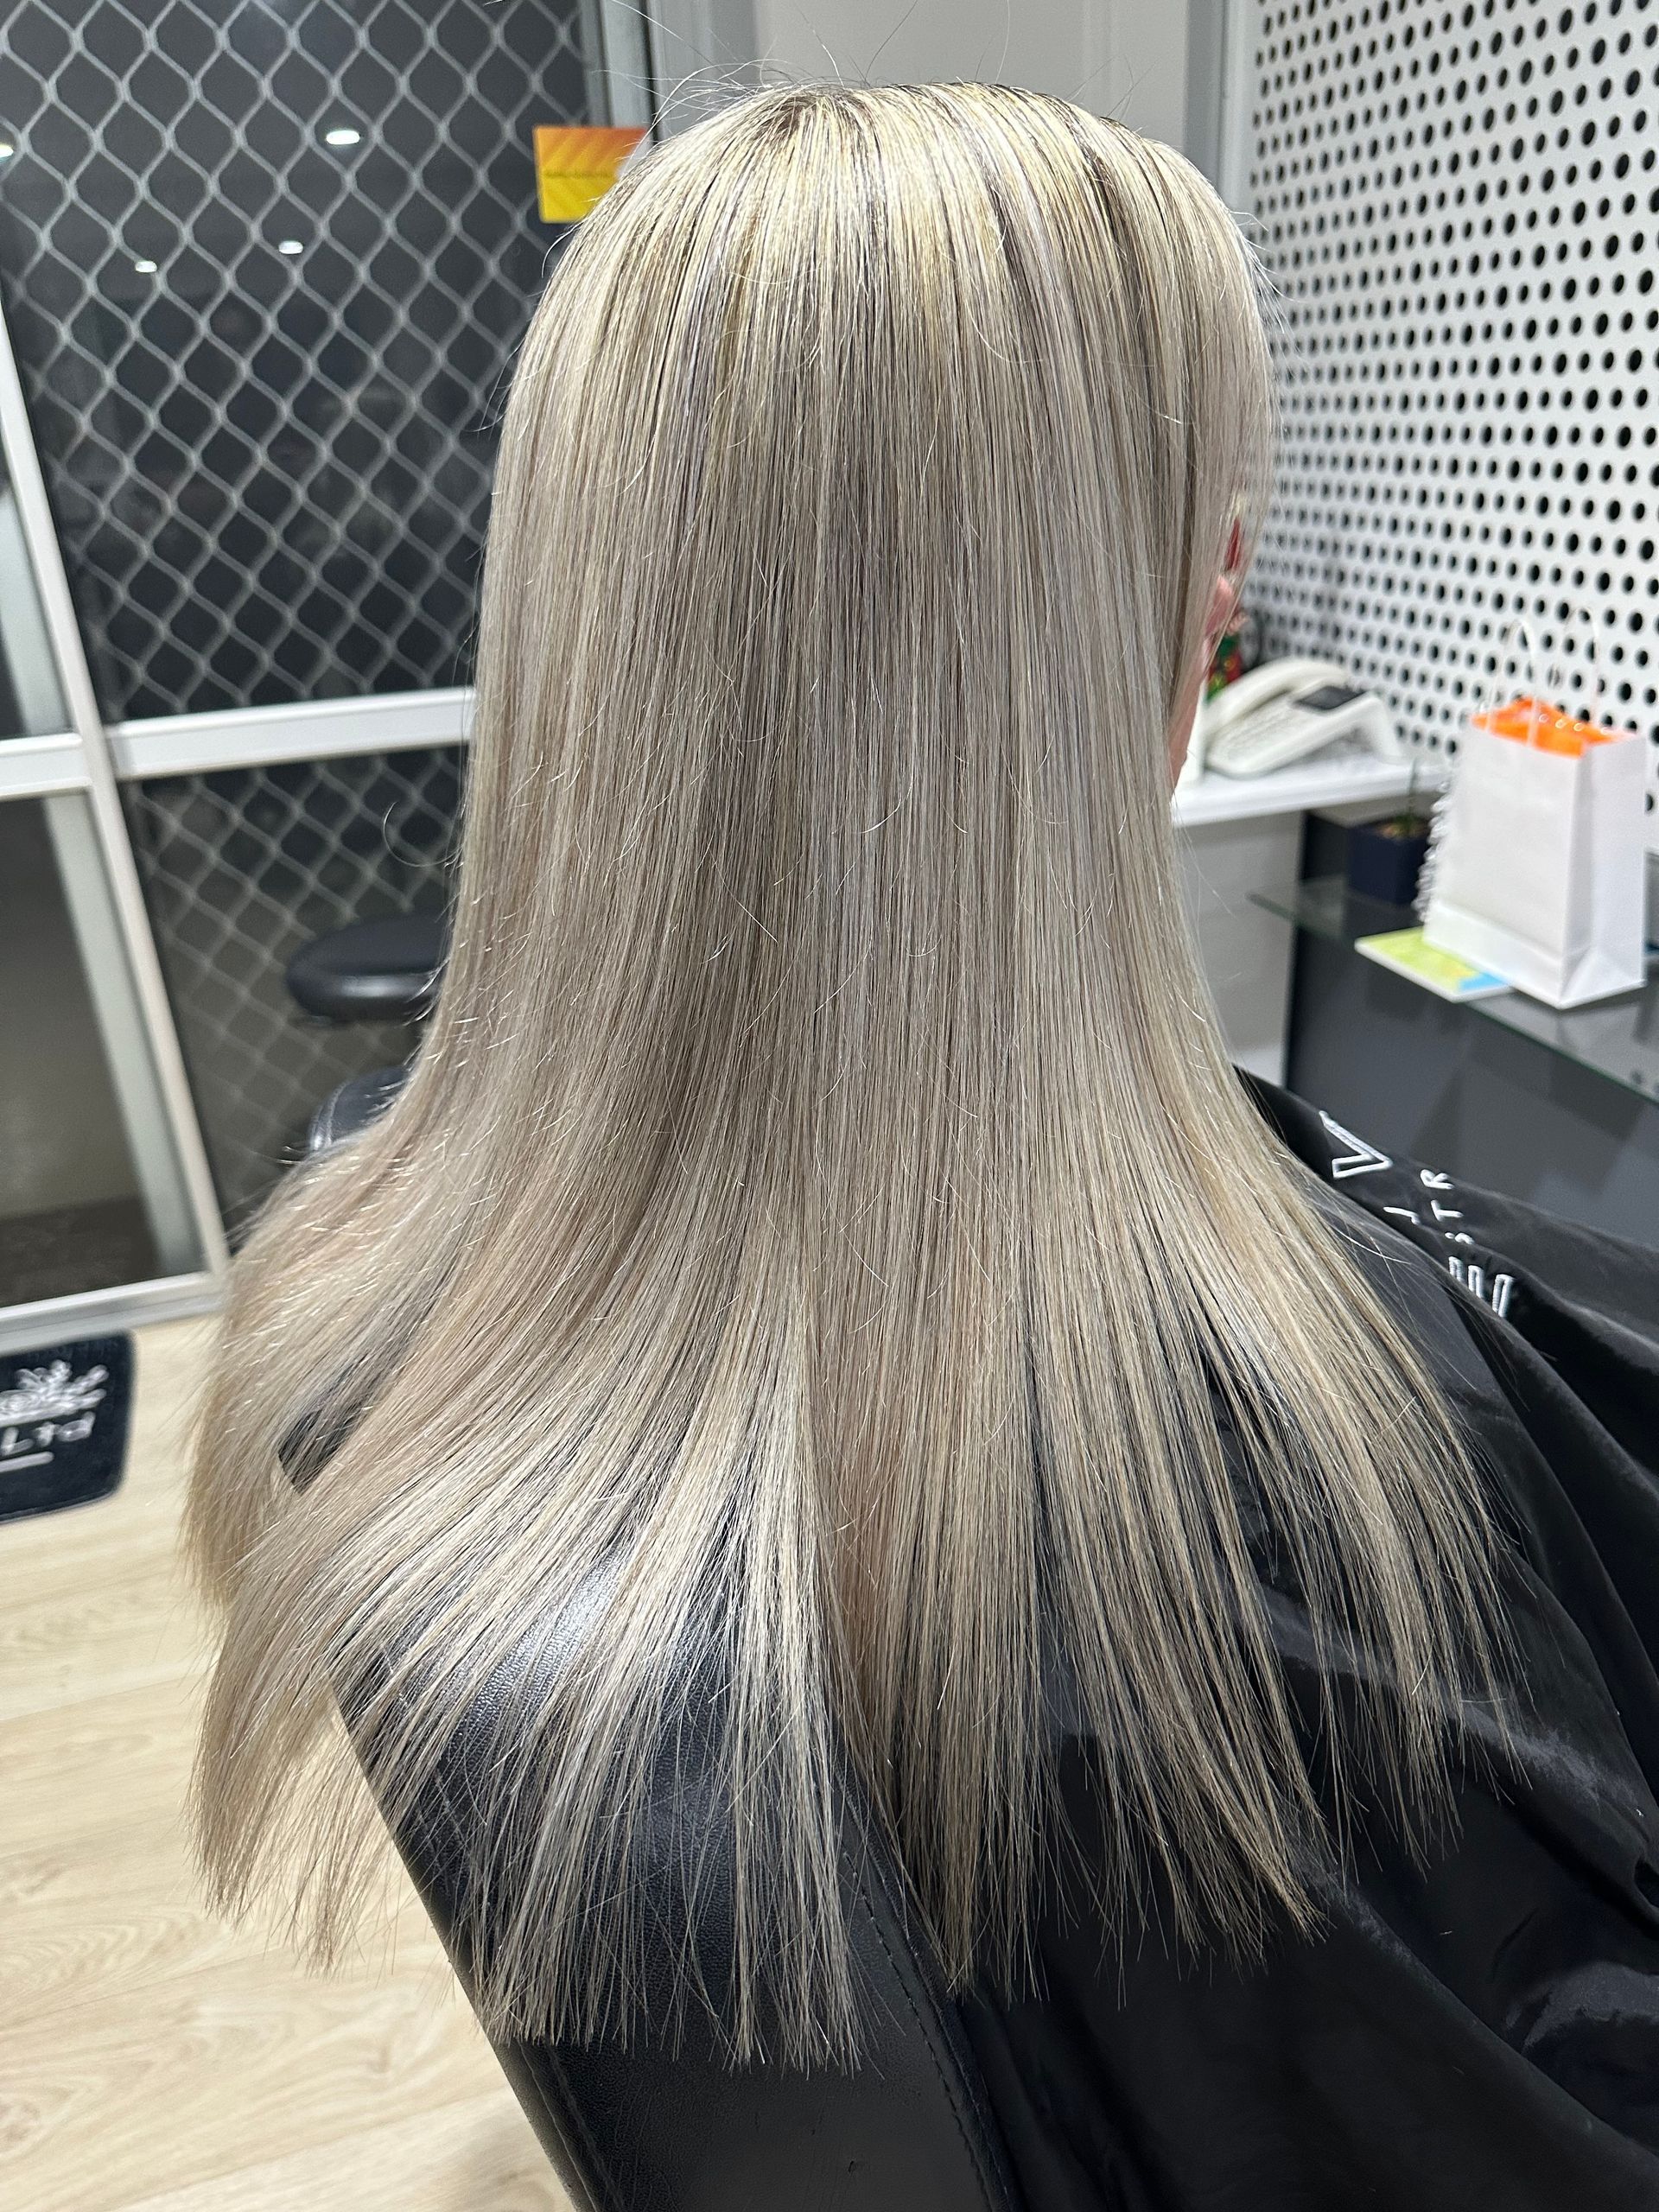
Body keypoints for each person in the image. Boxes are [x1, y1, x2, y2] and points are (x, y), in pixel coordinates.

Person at [186, 84, 1659, 2209]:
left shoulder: (368, 1258)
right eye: (1201, 533)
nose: (1227, 587)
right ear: (1117, 647)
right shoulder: (1295, 1527)